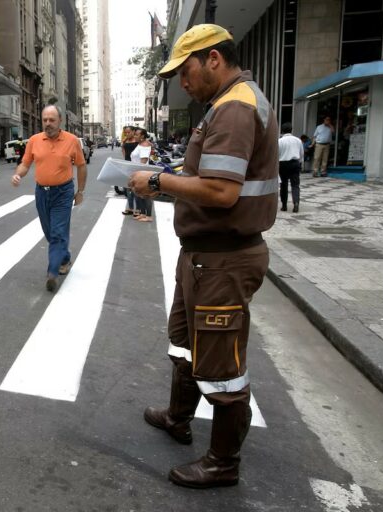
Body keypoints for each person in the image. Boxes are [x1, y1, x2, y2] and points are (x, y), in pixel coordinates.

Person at [129, 24, 278, 489]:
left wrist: (156, 182)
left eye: (186, 72)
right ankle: (178, 417)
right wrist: (172, 174)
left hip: (224, 260)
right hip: (202, 256)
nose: (183, 83)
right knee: (185, 342)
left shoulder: (235, 107)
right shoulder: (224, 104)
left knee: (223, 369)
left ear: (214, 58)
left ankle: (222, 463)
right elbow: (206, 174)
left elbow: (219, 188)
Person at [11, 105, 87, 293]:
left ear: (59, 121)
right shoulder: (35, 140)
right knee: (49, 231)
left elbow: (81, 166)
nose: (48, 123)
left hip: (63, 192)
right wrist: (18, 174)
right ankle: (64, 258)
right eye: (45, 120)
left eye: (52, 120)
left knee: (58, 232)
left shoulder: (71, 140)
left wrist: (80, 192)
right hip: (42, 193)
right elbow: (25, 163)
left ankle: (52, 273)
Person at [130, 128, 154, 222]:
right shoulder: (140, 144)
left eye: (136, 135)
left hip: (143, 173)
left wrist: (139, 175)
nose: (134, 136)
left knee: (146, 195)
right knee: (140, 194)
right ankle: (143, 214)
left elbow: (143, 162)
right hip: (138, 172)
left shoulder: (144, 145)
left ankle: (148, 216)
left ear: (142, 136)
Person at [278, 122, 303, 213]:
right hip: (295, 163)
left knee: (283, 185)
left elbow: (277, 154)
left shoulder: (280, 141)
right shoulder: (298, 140)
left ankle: (284, 205)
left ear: (282, 131)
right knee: (295, 185)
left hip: (283, 164)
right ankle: (296, 203)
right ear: (291, 130)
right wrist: (300, 164)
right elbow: (301, 154)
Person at [121, 126, 141, 217]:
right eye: (126, 133)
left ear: (133, 132)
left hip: (136, 166)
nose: (127, 134)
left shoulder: (138, 142)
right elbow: (124, 153)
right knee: (128, 187)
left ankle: (138, 209)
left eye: (129, 132)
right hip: (127, 166)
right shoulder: (125, 141)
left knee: (136, 187)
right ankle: (130, 208)